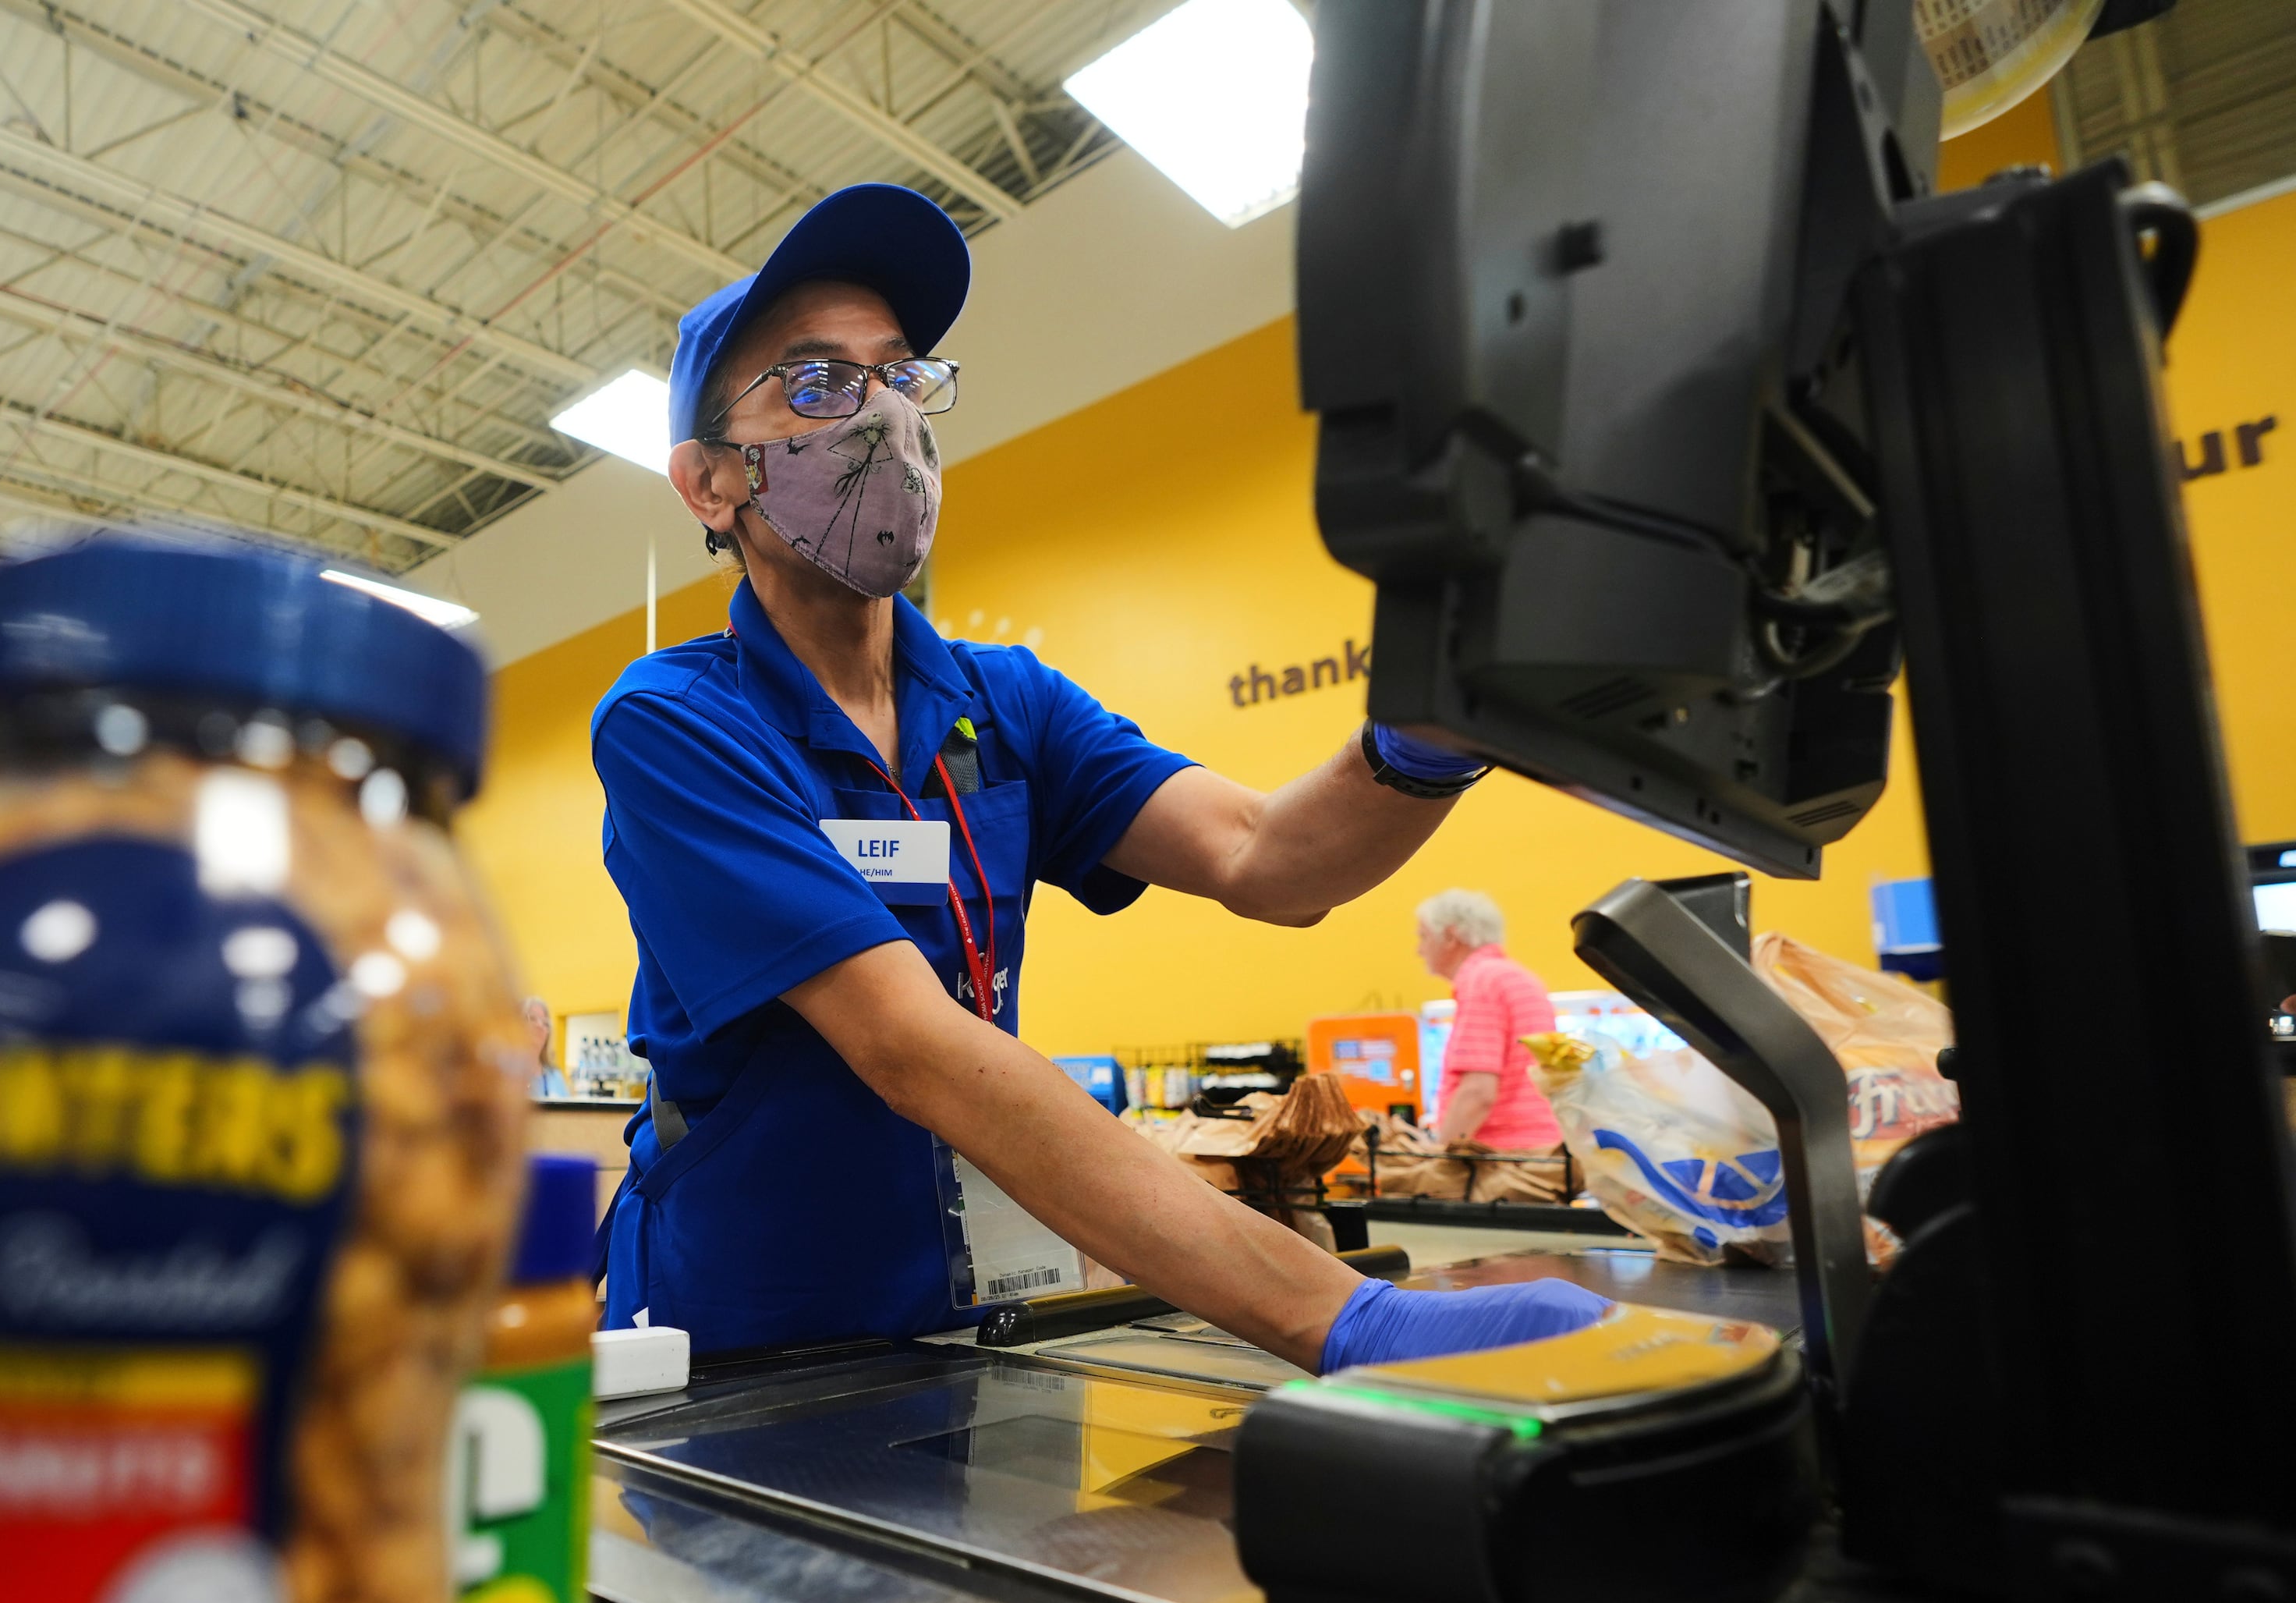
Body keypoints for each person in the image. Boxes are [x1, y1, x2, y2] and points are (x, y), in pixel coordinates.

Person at [587, 183, 1610, 1372]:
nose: (881, 417)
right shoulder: (675, 723)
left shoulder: (1002, 701)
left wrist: (1427, 733)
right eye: (815, 384)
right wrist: (1338, 1314)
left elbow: (1268, 860)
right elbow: (912, 1046)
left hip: (968, 1322)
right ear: (710, 483)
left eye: (903, 376)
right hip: (742, 1342)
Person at [1391, 889, 1569, 1204]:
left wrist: (1439, 1159)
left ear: (1451, 936)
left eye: (1423, 936)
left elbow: (1478, 1091)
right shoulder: (1519, 978)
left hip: (1499, 1163)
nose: (1419, 950)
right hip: (1540, 1159)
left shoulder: (1480, 981)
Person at [523, 998, 575, 1100]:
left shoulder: (555, 1076)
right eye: (532, 1019)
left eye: (545, 1023)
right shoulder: (506, 1075)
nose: (540, 1026)